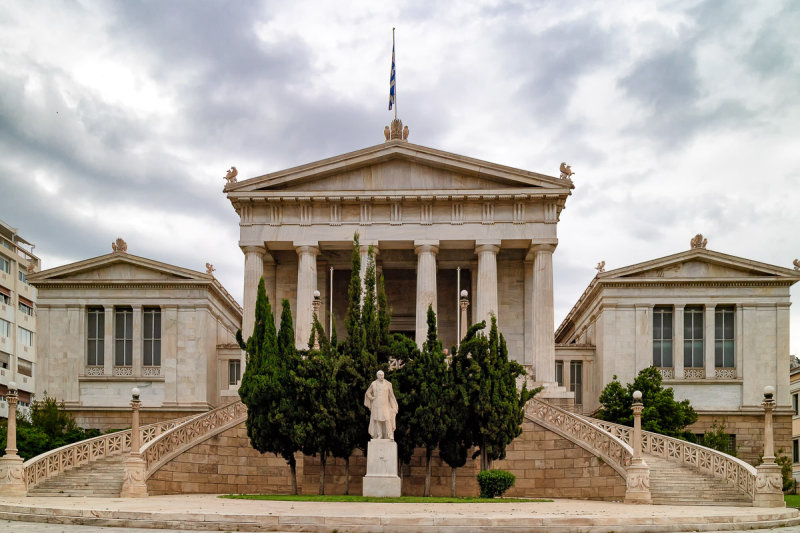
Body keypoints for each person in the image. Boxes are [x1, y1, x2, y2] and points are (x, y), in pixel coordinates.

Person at [363, 370, 398, 440]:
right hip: (376, 405)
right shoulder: (374, 384)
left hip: (385, 405)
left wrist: (394, 406)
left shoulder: (388, 384)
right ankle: (379, 435)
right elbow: (368, 392)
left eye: (382, 375)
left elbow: (391, 396)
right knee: (377, 420)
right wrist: (371, 398)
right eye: (380, 375)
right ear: (377, 376)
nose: (382, 376)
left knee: (387, 419)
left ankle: (390, 434)